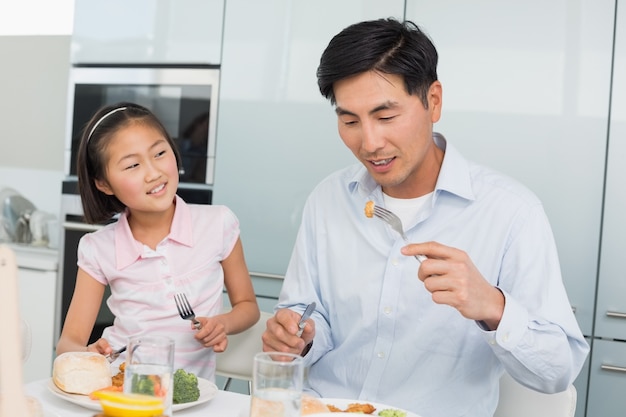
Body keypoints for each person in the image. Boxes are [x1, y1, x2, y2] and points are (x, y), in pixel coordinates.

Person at [261, 18, 589, 416]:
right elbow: (309, 311)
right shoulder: (328, 199)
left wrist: (494, 307)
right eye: (349, 121)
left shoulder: (511, 213)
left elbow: (558, 370)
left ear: (433, 101)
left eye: (385, 117)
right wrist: (302, 335)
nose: (369, 142)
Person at [56, 102, 260, 381]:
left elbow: (248, 307)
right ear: (103, 183)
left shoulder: (218, 224)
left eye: (160, 153)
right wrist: (88, 353)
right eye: (132, 165)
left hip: (193, 396)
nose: (153, 173)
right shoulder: (98, 247)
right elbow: (68, 343)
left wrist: (222, 323)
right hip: (123, 387)